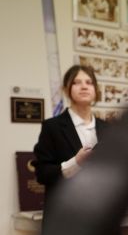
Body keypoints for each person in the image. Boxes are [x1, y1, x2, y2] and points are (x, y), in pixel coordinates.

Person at [33, 64, 108, 215]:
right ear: (66, 89)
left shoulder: (107, 129)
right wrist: (75, 163)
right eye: (76, 82)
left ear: (95, 89)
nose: (84, 87)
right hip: (65, 216)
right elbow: (42, 174)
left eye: (89, 82)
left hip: (102, 215)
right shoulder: (52, 127)